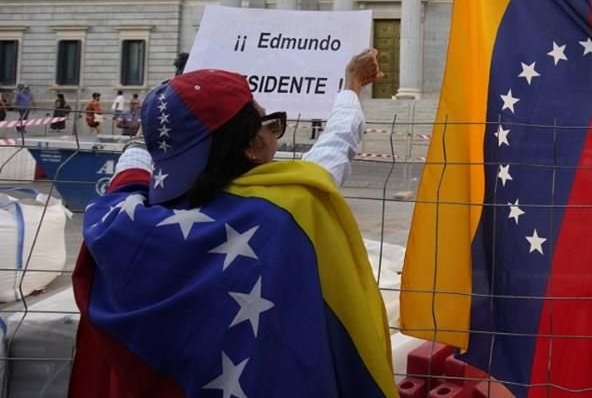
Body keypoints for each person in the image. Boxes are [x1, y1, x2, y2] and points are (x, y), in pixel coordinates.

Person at [70, 49, 398, 398]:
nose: (276, 133)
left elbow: (134, 163)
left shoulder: (121, 221)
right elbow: (334, 150)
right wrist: (351, 88)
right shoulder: (284, 211)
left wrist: (167, 112)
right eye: (270, 123)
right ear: (252, 148)